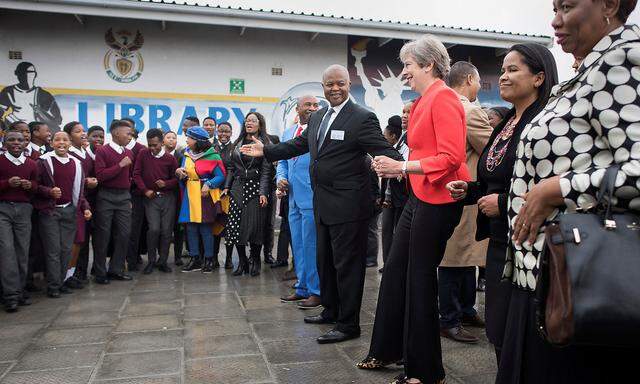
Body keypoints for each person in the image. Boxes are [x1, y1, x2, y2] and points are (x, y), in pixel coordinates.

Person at [496, 1, 640, 382]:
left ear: (610, 4)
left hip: (582, 282)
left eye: (568, 6)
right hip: (546, 278)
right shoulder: (591, 67)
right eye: (555, 7)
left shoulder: (623, 59)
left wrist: (556, 189)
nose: (556, 20)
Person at [240, 64, 402, 344]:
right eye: (329, 85)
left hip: (351, 207)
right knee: (325, 261)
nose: (335, 89)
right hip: (323, 203)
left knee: (348, 267)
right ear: (323, 87)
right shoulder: (319, 117)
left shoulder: (363, 117)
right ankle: (331, 310)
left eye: (340, 83)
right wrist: (266, 150)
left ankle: (349, 324)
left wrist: (407, 164)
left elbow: (383, 150)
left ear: (349, 84)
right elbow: (298, 145)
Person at [359, 35, 468, 384]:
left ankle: (426, 373)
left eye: (408, 64)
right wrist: (391, 162)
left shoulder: (445, 98)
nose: (404, 71)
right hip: (419, 195)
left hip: (439, 199)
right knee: (394, 271)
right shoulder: (421, 101)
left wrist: (401, 169)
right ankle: (387, 350)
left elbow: (451, 158)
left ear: (428, 65)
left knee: (419, 279)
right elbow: (419, 152)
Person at [446, 43, 558, 365]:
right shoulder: (508, 120)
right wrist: (468, 190)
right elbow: (493, 177)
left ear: (538, 77)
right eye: (503, 70)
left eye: (513, 70)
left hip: (529, 244)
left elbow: (550, 189)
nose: (503, 77)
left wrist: (505, 202)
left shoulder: (545, 123)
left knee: (522, 332)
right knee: (498, 328)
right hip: (498, 239)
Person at [438, 61, 493, 344]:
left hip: (447, 192)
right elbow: (493, 154)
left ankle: (466, 309)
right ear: (470, 79)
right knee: (456, 257)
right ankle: (449, 318)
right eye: (478, 81)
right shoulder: (470, 111)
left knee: (463, 256)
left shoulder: (442, 106)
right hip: (465, 192)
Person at [277, 95, 322, 310]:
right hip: (292, 198)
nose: (312, 108)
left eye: (316, 105)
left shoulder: (320, 132)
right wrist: (281, 179)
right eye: (308, 105)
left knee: (311, 246)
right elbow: (282, 163)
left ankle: (316, 291)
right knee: (298, 245)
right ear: (298, 109)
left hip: (312, 197)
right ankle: (302, 287)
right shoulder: (288, 133)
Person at [34, 131, 91, 298]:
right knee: (53, 250)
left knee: (66, 249)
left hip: (69, 211)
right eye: (57, 139)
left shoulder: (76, 163)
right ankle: (53, 286)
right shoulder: (44, 161)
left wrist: (85, 207)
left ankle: (61, 282)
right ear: (51, 143)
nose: (61, 142)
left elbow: (79, 192)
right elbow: (34, 186)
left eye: (65, 140)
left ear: (69, 144)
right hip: (50, 211)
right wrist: (48, 191)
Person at [224, 112, 272, 277]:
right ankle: (243, 262)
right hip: (237, 187)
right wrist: (227, 187)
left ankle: (256, 260)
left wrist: (263, 192)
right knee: (235, 226)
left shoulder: (265, 143)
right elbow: (231, 168)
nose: (249, 123)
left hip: (256, 187)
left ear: (260, 124)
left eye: (253, 120)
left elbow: (267, 170)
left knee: (254, 226)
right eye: (247, 121)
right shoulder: (237, 143)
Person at [176, 126, 227, 273]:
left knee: (205, 228)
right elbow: (183, 171)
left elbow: (220, 176)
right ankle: (195, 258)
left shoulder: (213, 156)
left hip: (204, 197)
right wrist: (179, 172)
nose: (187, 140)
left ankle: (209, 259)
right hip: (189, 195)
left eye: (190, 138)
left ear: (197, 141)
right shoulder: (186, 154)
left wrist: (209, 184)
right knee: (190, 228)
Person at [0, 131, 39, 312]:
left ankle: (20, 290)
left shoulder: (31, 164)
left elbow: (36, 186)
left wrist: (30, 186)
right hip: (3, 209)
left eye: (20, 140)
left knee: (22, 251)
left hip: (24, 210)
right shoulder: (1, 161)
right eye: (11, 140)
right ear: (4, 142)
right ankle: (10, 295)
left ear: (26, 143)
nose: (16, 143)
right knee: (6, 251)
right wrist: (7, 183)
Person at [93, 119, 134, 284]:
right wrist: (120, 165)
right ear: (116, 133)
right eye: (128, 133)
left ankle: (116, 269)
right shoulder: (103, 151)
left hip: (124, 197)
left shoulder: (129, 153)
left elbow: (129, 176)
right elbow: (101, 176)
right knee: (103, 235)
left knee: (124, 234)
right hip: (106, 196)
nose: (130, 137)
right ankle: (100, 272)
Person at [133, 128, 179, 274]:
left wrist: (166, 184)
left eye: (155, 145)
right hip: (150, 198)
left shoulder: (170, 159)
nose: (152, 148)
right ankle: (151, 260)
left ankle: (163, 261)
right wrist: (145, 190)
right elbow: (136, 174)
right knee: (153, 229)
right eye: (150, 145)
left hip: (167, 199)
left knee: (166, 231)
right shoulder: (143, 154)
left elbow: (176, 180)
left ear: (162, 142)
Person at [65, 121, 98, 290]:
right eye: (78, 131)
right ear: (69, 136)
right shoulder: (69, 154)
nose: (83, 133)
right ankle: (70, 274)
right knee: (75, 240)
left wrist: (92, 180)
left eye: (83, 130)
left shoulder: (85, 152)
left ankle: (82, 272)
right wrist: (85, 181)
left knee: (84, 239)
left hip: (89, 200)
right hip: (75, 201)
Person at [379, 115, 408, 274]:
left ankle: (397, 264)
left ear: (393, 136)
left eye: (385, 136)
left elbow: (403, 172)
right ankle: (387, 263)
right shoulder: (388, 150)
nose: (383, 138)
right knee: (386, 232)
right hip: (388, 198)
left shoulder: (404, 147)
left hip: (401, 198)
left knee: (399, 232)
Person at [122, 119, 147, 272]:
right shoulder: (115, 149)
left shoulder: (141, 149)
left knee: (135, 228)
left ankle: (133, 258)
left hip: (136, 194)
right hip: (119, 193)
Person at [212, 122, 235, 269]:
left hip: (230, 192)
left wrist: (226, 186)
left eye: (227, 131)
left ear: (231, 133)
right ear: (217, 132)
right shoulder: (211, 148)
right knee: (215, 226)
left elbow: (232, 169)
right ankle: (213, 258)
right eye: (221, 131)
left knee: (229, 227)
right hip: (214, 192)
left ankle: (228, 259)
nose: (223, 134)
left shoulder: (235, 149)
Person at [164, 130, 187, 266]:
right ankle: (162, 256)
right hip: (163, 196)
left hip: (178, 195)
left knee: (178, 229)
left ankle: (178, 256)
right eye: (168, 137)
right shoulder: (157, 155)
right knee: (164, 228)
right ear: (163, 141)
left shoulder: (181, 156)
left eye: (174, 138)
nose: (171, 140)